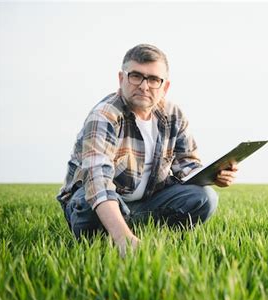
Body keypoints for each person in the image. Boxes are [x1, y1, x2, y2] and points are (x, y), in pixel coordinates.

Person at [57, 44, 238, 256]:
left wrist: (215, 176)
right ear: (121, 78)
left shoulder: (173, 114)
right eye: (136, 76)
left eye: (153, 79)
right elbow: (97, 184)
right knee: (87, 206)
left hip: (146, 204)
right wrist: (123, 240)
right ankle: (121, 233)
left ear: (165, 86)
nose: (144, 86)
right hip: (95, 205)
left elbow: (188, 165)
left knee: (205, 197)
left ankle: (144, 233)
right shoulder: (104, 116)